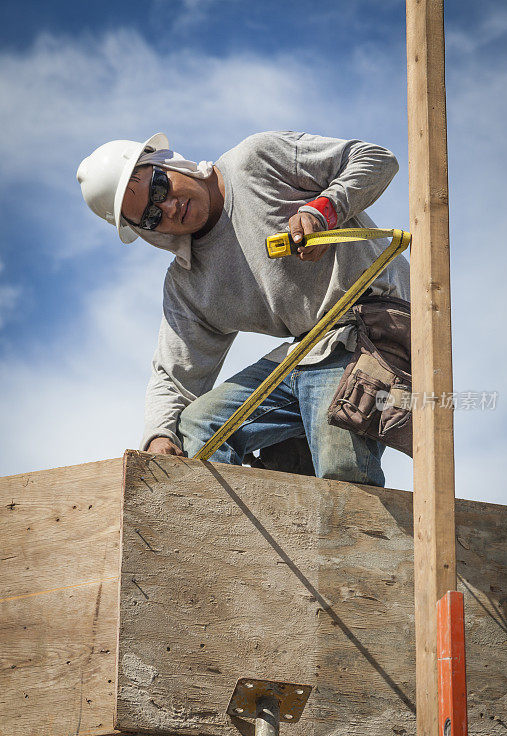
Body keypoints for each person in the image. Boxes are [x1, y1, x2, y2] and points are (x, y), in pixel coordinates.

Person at [77, 130, 410, 486]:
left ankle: (358, 530)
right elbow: (174, 375)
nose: (169, 208)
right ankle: (235, 537)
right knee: (199, 426)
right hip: (307, 350)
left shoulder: (256, 161)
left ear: (168, 164)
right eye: (151, 217)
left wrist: (325, 210)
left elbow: (377, 160)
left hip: (373, 326)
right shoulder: (190, 285)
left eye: (159, 189)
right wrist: (160, 436)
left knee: (340, 470)